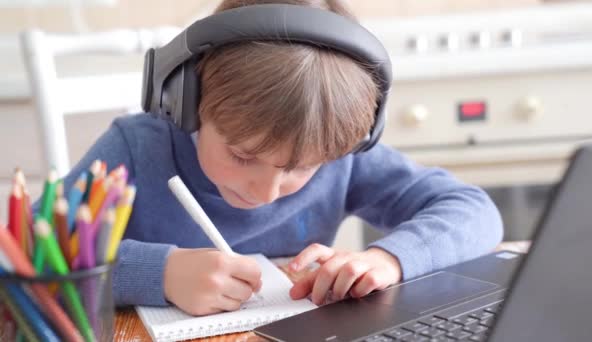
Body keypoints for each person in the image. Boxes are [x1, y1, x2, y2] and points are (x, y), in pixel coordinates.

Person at [59, 0, 503, 316]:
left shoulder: (339, 157)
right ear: (188, 103)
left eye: (299, 168)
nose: (265, 191)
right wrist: (160, 274)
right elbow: (27, 258)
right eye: (243, 155)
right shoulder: (136, 148)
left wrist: (388, 259)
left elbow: (475, 212)